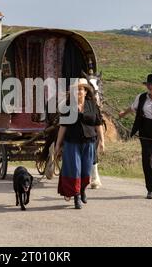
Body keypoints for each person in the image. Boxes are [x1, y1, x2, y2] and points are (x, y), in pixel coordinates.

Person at [55, 78, 105, 209]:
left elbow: (98, 124)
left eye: (81, 89)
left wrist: (102, 142)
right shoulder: (68, 106)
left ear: (85, 91)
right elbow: (63, 127)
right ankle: (76, 196)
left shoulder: (92, 105)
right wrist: (58, 145)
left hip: (89, 142)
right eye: (76, 90)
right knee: (75, 169)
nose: (78, 92)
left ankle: (82, 190)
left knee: (86, 170)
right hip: (72, 143)